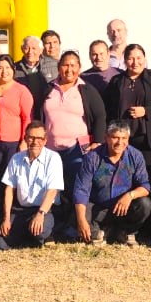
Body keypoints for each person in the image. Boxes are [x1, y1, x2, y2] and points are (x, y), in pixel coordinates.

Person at [103, 43, 151, 229]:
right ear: (125, 60)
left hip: (150, 141)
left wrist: (147, 111)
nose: (135, 62)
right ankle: (128, 224)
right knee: (125, 181)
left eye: (139, 58)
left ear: (145, 59)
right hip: (124, 142)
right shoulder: (117, 81)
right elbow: (108, 110)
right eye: (131, 58)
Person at [42, 51, 108, 216]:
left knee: (76, 186)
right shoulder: (49, 89)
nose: (69, 69)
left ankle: (75, 223)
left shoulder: (86, 89)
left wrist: (98, 142)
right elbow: (39, 114)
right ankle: (55, 223)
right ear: (59, 67)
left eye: (73, 65)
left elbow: (100, 115)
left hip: (77, 148)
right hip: (51, 149)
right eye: (65, 65)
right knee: (53, 188)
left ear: (79, 68)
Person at [72, 121, 151, 246]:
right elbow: (81, 190)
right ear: (106, 138)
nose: (119, 143)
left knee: (145, 204)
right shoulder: (92, 157)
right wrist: (81, 220)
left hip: (123, 209)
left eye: (124, 138)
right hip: (98, 208)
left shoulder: (135, 156)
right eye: (115, 137)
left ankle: (125, 232)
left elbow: (145, 186)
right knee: (79, 211)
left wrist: (129, 195)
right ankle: (102, 232)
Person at [0, 121, 63, 250]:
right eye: (31, 137)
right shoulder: (16, 158)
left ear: (45, 140)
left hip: (45, 209)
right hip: (22, 210)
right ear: (25, 138)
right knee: (1, 239)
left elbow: (52, 191)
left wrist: (40, 214)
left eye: (39, 138)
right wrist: (6, 218)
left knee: (40, 231)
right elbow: (9, 189)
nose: (34, 142)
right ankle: (28, 235)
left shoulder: (53, 158)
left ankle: (45, 234)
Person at [0, 55, 34, 211]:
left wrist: (24, 141)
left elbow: (27, 118)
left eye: (7, 67)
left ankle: (10, 213)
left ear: (13, 70)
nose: (3, 71)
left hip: (13, 143)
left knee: (10, 180)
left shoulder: (21, 90)